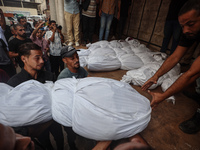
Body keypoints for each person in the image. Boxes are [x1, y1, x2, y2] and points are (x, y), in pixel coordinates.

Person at [141, 0, 200, 134]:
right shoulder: (189, 31)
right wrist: (155, 76)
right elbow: (174, 57)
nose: (185, 30)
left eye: (190, 24)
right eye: (182, 26)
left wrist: (163, 96)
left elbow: (192, 73)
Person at [7, 42, 64, 150]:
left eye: (42, 57)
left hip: (54, 119)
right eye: (37, 58)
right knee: (45, 144)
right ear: (24, 59)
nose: (42, 61)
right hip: (35, 124)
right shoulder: (15, 84)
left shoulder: (49, 76)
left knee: (60, 138)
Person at [0, 8, 16, 78]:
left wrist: (1, 13)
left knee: (11, 77)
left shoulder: (0, 30)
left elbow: (3, 23)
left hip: (6, 61)